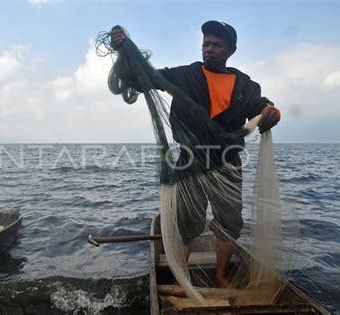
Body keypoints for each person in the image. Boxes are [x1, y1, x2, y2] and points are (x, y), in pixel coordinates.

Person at [111, 21, 281, 288]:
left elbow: (260, 107)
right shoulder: (185, 75)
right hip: (189, 164)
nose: (209, 49)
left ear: (231, 50)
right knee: (184, 226)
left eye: (217, 45)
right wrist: (124, 50)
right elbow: (144, 77)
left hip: (228, 166)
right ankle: (182, 280)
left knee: (229, 223)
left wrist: (273, 111)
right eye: (205, 44)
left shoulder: (244, 84)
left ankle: (221, 276)